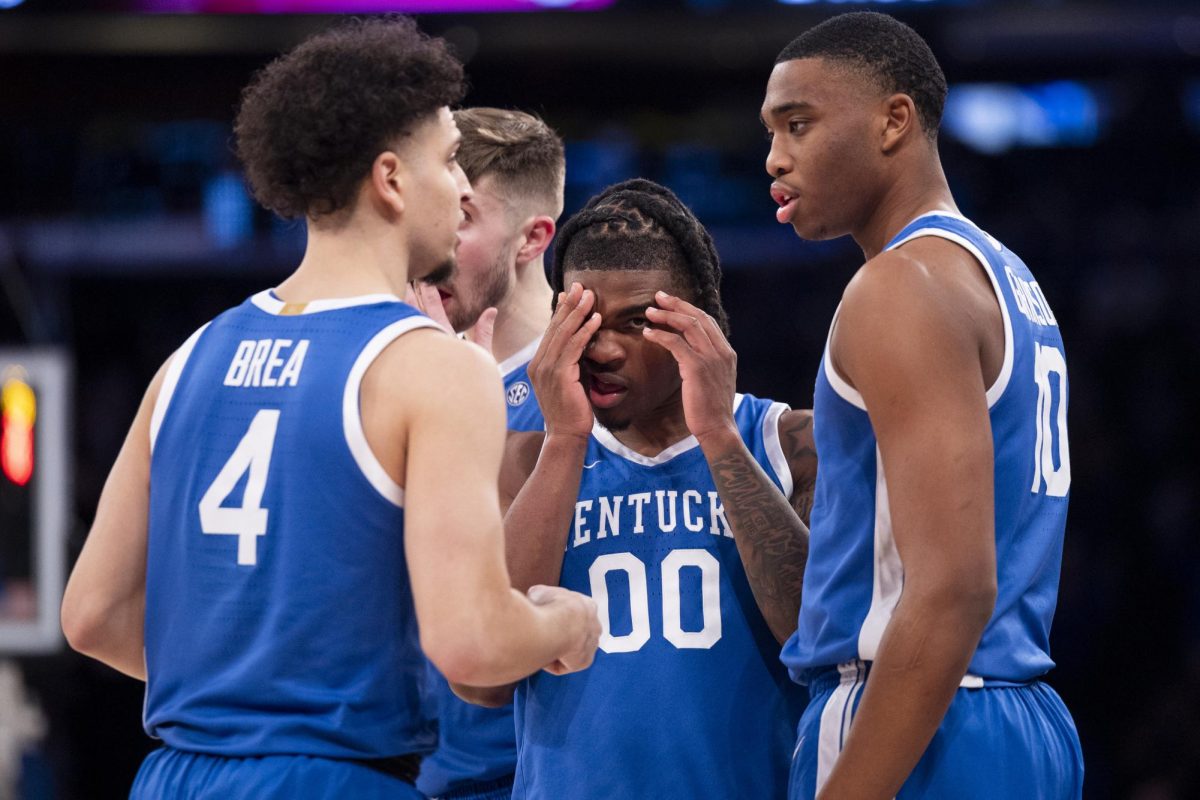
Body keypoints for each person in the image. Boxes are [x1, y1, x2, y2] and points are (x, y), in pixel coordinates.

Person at [59, 19, 599, 799]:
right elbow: (475, 642)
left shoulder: (188, 358)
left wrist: (251, 684)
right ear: (390, 180)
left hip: (173, 774)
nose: (457, 186)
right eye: (448, 160)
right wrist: (565, 623)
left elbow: (92, 615)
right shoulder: (433, 368)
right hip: (333, 776)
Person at [760, 12, 1083, 799]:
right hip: (1018, 715)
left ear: (894, 121)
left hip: (923, 719)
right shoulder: (1007, 277)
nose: (775, 156)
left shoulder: (899, 287)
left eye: (798, 124)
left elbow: (950, 590)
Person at [466, 179, 815, 799]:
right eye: (584, 320)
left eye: (634, 322)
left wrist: (718, 435)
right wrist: (566, 439)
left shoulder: (787, 443)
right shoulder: (522, 460)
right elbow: (489, 677)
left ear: (697, 321)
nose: (602, 349)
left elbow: (813, 639)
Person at [414, 107, 565, 800]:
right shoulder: (392, 376)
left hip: (530, 776)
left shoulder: (605, 384)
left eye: (465, 217)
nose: (436, 243)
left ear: (534, 238)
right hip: (408, 775)